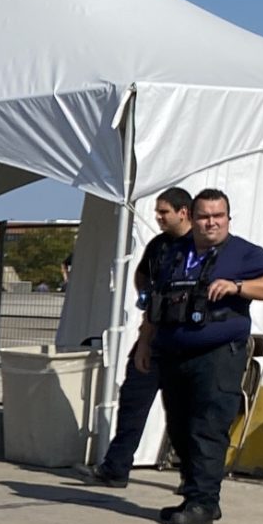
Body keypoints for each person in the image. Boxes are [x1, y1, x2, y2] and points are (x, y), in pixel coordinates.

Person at [151, 187, 263, 524]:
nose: (211, 222)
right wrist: (144, 345)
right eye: (204, 216)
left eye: (218, 216)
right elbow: (155, 295)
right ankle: (195, 497)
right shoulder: (173, 251)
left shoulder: (243, 253)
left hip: (218, 356)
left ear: (228, 218)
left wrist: (238, 287)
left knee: (207, 429)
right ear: (191, 218)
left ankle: (203, 505)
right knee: (181, 429)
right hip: (174, 352)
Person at [93, 187, 196, 485]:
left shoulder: (199, 247)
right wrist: (147, 301)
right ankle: (116, 467)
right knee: (133, 403)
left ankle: (193, 479)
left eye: (164, 212)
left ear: (183, 212)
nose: (158, 217)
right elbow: (143, 277)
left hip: (183, 344)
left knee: (182, 417)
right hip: (152, 338)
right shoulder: (160, 246)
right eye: (157, 212)